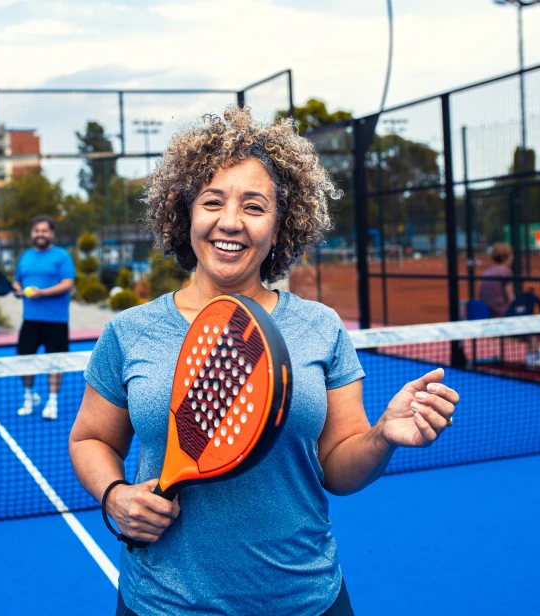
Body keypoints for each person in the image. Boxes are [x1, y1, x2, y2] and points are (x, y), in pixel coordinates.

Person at [69, 108, 460, 616]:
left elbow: (338, 468)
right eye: (212, 202)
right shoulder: (130, 330)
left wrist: (383, 435)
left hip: (305, 600)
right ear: (185, 216)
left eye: (254, 206)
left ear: (279, 228)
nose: (229, 221)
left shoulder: (320, 327)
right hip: (162, 605)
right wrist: (114, 494)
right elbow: (90, 438)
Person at [12, 215, 76, 420]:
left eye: (44, 230)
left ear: (51, 233)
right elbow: (17, 282)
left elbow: (68, 284)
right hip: (30, 320)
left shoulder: (62, 256)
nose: (40, 234)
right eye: (36, 230)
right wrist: (16, 289)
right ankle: (29, 396)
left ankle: (52, 402)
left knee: (55, 363)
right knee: (24, 360)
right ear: (32, 234)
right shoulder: (25, 256)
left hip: (56, 321)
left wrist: (42, 292)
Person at [477, 242, 540, 367]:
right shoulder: (506, 272)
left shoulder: (488, 271)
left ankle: (534, 352)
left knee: (525, 316)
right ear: (504, 258)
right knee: (529, 319)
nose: (512, 258)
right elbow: (511, 299)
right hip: (501, 315)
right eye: (511, 255)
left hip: (489, 313)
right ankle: (533, 355)